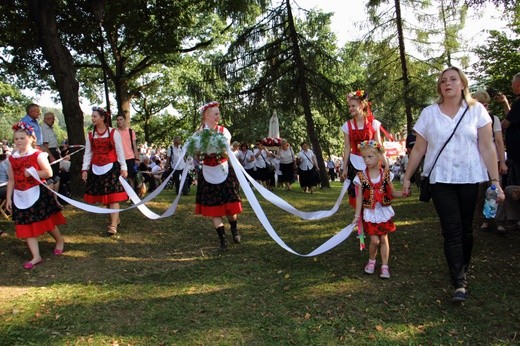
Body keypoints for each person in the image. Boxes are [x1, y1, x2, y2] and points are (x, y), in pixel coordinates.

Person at [402, 66, 504, 302]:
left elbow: (487, 146)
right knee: (452, 230)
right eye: (443, 81)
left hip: (470, 177)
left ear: (462, 84)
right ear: (440, 87)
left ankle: (462, 268)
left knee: (466, 229)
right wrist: (407, 177)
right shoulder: (429, 113)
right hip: (441, 179)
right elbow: (419, 148)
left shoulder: (477, 111)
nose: (447, 83)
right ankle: (459, 282)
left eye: (452, 79)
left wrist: (495, 180)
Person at [6, 122, 66, 269]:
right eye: (16, 139)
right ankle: (36, 256)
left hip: (37, 192)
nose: (19, 141)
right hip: (20, 195)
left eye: (22, 138)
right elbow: (12, 179)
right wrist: (9, 197)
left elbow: (49, 173)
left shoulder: (37, 155)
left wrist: (34, 173)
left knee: (47, 222)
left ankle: (59, 241)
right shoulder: (12, 158)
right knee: (26, 225)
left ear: (31, 138)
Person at [195, 101, 242, 251]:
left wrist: (215, 146)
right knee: (214, 208)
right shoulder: (199, 133)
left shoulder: (224, 131)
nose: (218, 116)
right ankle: (222, 241)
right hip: (208, 170)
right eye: (215, 113)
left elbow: (225, 150)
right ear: (207, 116)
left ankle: (234, 229)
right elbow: (195, 152)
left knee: (231, 209)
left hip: (223, 169)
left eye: (218, 113)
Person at [353, 140, 403, 279]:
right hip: (370, 213)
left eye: (370, 157)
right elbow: (359, 198)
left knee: (384, 238)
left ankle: (385, 265)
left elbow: (392, 192)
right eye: (364, 157)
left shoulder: (386, 174)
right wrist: (357, 216)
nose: (366, 160)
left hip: (383, 212)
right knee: (374, 240)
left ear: (379, 157)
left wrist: (403, 193)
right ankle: (372, 260)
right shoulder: (361, 176)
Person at [81, 107, 128, 236]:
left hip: (111, 167)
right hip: (96, 168)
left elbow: (119, 151)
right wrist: (85, 169)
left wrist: (124, 167)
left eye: (95, 116)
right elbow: (88, 153)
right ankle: (115, 219)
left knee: (113, 197)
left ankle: (113, 225)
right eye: (92, 116)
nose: (92, 118)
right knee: (105, 198)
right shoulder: (90, 135)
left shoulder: (113, 132)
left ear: (102, 118)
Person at [472, 90, 508, 232]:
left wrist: (503, 162)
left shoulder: (494, 119)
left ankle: (499, 221)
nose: (484, 108)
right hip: (475, 162)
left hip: (492, 160)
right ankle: (484, 220)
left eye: (486, 105)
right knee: (479, 193)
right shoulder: (469, 119)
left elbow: (499, 141)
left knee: (496, 191)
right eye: (481, 104)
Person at [340, 90, 383, 205]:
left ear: (362, 105)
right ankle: (361, 222)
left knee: (373, 196)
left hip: (372, 163)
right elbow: (347, 148)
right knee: (358, 196)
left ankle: (372, 221)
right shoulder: (347, 126)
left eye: (353, 105)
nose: (350, 108)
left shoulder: (373, 123)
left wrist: (382, 162)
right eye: (349, 106)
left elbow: (378, 145)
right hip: (355, 164)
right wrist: (344, 168)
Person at [498, 73, 520, 185]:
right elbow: (511, 118)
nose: (511, 86)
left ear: (518, 84)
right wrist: (505, 103)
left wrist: (491, 128)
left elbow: (505, 124)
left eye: (512, 83)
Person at [41, 112, 62, 207]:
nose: (51, 120)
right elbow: (45, 145)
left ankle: (55, 200)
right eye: (49, 118)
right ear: (44, 119)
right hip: (50, 153)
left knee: (56, 177)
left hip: (54, 151)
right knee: (51, 178)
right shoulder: (44, 128)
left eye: (53, 118)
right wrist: (51, 156)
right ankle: (51, 202)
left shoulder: (50, 128)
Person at [116, 114, 140, 195]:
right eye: (118, 120)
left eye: (121, 119)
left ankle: (133, 196)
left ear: (125, 121)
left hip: (130, 157)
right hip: (119, 158)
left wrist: (137, 158)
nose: (119, 121)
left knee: (131, 178)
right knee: (120, 178)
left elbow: (134, 146)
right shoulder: (115, 132)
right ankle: (123, 195)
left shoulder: (130, 131)